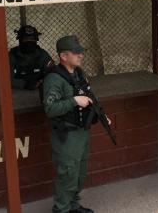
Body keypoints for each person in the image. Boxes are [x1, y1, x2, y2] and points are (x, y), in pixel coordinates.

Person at [42, 35, 104, 213]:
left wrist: (101, 115)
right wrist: (74, 101)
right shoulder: (54, 79)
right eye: (76, 53)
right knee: (67, 175)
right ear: (63, 56)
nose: (81, 56)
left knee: (79, 173)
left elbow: (90, 96)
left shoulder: (78, 73)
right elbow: (50, 108)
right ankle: (61, 210)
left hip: (81, 131)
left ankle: (73, 207)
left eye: (80, 52)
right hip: (66, 135)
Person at [9, 25, 54, 90]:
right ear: (20, 40)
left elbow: (52, 73)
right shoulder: (12, 55)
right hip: (17, 91)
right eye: (26, 39)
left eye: (32, 39)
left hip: (39, 89)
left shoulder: (42, 54)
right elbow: (6, 79)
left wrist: (41, 83)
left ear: (36, 40)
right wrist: (24, 84)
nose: (29, 42)